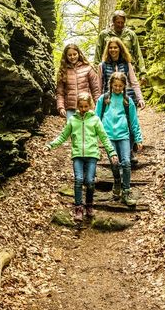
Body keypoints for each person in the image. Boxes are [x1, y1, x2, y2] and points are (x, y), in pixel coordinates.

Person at [47, 92, 117, 222]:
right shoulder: (73, 120)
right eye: (81, 107)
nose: (83, 109)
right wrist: (51, 145)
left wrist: (112, 152)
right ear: (78, 106)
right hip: (77, 155)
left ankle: (89, 205)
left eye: (86, 106)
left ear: (90, 106)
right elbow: (63, 136)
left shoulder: (95, 120)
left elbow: (104, 138)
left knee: (90, 181)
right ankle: (78, 208)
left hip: (92, 155)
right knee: (78, 180)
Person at [96, 71, 142, 206]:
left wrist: (138, 138)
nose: (117, 88)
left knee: (126, 162)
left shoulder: (127, 101)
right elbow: (96, 118)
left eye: (120, 86)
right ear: (111, 84)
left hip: (123, 135)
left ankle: (126, 192)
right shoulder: (103, 99)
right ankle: (117, 182)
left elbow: (134, 121)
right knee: (115, 163)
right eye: (115, 85)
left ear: (124, 86)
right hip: (108, 136)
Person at [55, 42, 101, 120]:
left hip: (86, 106)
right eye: (69, 55)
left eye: (74, 54)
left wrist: (99, 105)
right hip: (70, 108)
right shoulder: (63, 71)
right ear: (66, 56)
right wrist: (61, 107)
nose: (72, 57)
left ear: (79, 54)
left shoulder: (88, 68)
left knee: (87, 130)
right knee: (73, 131)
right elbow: (60, 93)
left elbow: (96, 89)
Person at [95, 10, 146, 80]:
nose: (120, 25)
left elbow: (138, 54)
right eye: (118, 22)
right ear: (113, 22)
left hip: (127, 69)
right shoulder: (104, 35)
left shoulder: (130, 34)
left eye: (122, 23)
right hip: (109, 69)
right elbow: (98, 55)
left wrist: (142, 73)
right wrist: (97, 72)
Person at [100, 38, 144, 109]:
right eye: (110, 48)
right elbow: (99, 86)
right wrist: (99, 102)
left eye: (115, 47)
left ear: (120, 49)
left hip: (127, 99)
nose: (113, 50)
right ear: (107, 49)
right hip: (109, 100)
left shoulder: (127, 64)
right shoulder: (102, 66)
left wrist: (140, 98)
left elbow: (134, 82)